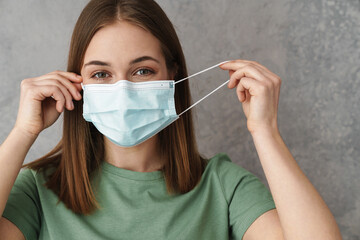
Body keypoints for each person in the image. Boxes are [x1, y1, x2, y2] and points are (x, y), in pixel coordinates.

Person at [0, 0, 342, 239]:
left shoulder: (221, 186)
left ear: (172, 76)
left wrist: (265, 131)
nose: (123, 91)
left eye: (142, 70)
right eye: (102, 74)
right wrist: (22, 132)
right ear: (79, 83)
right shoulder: (38, 189)